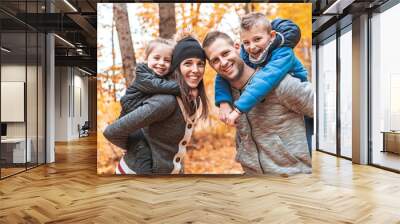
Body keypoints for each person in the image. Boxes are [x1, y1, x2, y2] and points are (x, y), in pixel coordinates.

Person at [203, 31, 313, 175]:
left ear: (237, 47)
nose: (223, 63)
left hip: (293, 179)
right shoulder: (228, 96)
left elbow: (323, 108)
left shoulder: (279, 84)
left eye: (225, 53)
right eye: (215, 60)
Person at [103, 35, 209, 174]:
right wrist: (134, 147)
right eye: (188, 63)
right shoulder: (164, 99)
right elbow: (111, 131)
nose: (195, 69)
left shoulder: (190, 99)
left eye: (200, 63)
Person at [214, 13, 314, 155]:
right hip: (274, 108)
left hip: (298, 102)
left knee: (305, 146)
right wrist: (223, 102)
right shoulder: (247, 53)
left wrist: (237, 110)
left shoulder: (283, 53)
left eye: (257, 39)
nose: (252, 47)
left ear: (271, 36)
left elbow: (265, 79)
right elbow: (222, 75)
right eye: (246, 42)